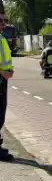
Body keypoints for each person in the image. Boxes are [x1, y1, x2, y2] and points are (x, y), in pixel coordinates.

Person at [0, 11, 14, 161]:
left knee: (1, 114)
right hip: (1, 79)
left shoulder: (1, 37)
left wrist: (9, 71)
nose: (4, 23)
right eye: (0, 21)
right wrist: (3, 72)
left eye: (5, 20)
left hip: (3, 80)